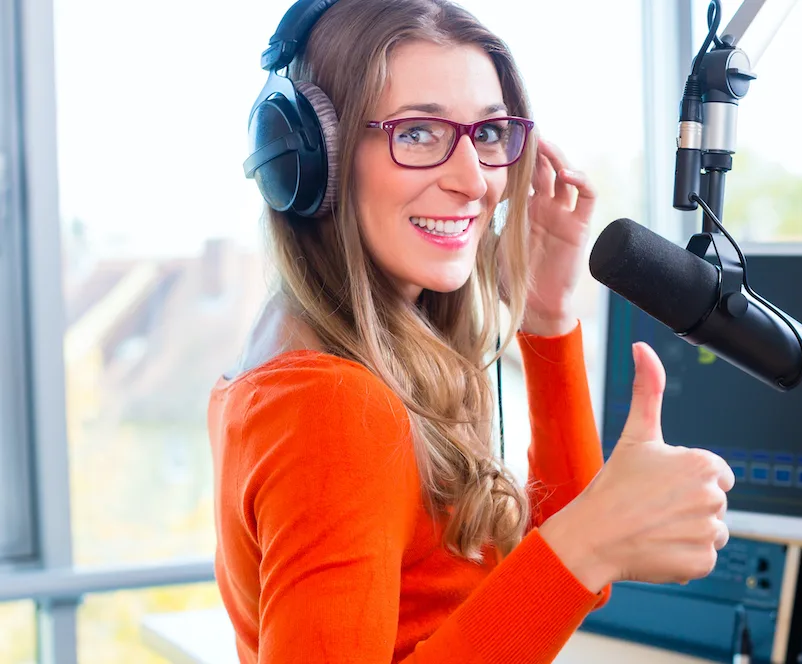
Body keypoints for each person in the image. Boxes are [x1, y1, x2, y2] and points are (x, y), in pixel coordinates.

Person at [208, 0, 735, 662]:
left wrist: (546, 312)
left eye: (487, 136)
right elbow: (572, 554)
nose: (473, 181)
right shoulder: (333, 404)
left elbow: (554, 581)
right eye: (419, 133)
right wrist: (591, 539)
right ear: (312, 159)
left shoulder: (308, 353)